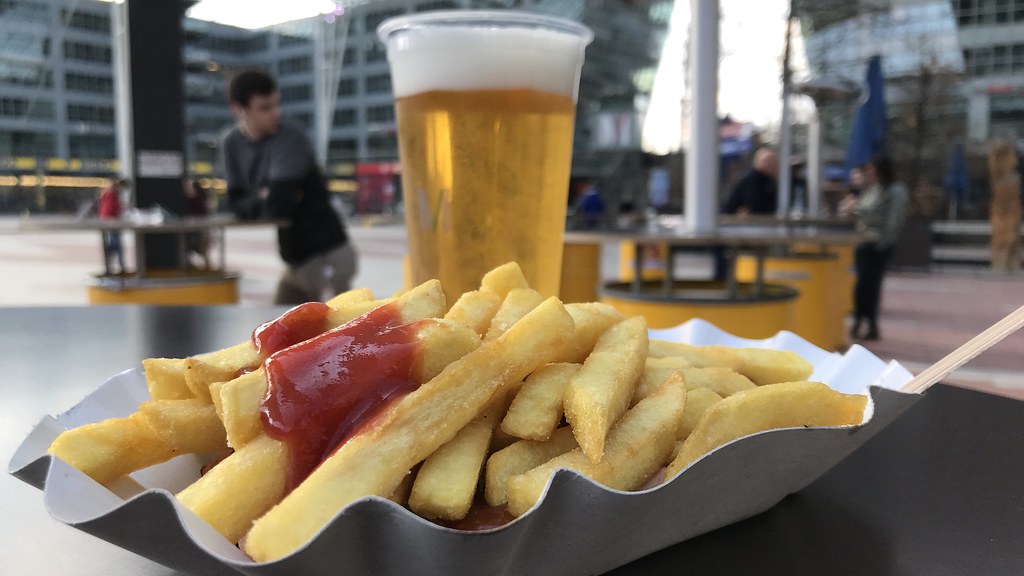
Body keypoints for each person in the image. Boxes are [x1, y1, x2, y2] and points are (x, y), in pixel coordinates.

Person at [221, 70, 357, 304]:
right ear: (238, 109)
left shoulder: (290, 136)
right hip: (297, 258)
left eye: (277, 105)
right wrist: (265, 198)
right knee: (279, 328)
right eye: (265, 108)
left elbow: (277, 206)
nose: (276, 114)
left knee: (322, 329)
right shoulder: (231, 143)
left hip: (327, 252)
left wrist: (263, 199)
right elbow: (233, 202)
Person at [848, 154, 908, 341]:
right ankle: (860, 320)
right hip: (863, 242)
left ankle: (870, 325)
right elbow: (863, 209)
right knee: (861, 286)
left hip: (878, 245)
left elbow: (894, 220)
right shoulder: (872, 189)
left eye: (874, 172)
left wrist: (883, 242)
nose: (871, 175)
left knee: (871, 286)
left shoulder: (895, 190)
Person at [987, 140, 1022, 273]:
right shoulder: (998, 177)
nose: (1014, 161)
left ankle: (1011, 263)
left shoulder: (1014, 178)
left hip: (1012, 210)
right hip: (1001, 211)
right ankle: (1001, 263)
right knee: (1003, 239)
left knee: (1012, 238)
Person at [722, 146, 779, 216]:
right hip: (734, 222)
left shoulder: (768, 180)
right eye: (772, 162)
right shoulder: (752, 180)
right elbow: (757, 207)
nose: (775, 166)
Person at [98, 177, 128, 275]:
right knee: (115, 244)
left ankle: (115, 266)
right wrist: (121, 208)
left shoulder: (110, 192)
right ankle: (116, 266)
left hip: (108, 220)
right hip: (111, 221)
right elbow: (111, 208)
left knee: (114, 244)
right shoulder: (112, 193)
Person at [184, 178, 211, 269]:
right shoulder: (202, 196)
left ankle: (206, 265)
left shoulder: (195, 198)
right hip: (201, 226)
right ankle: (206, 265)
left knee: (200, 246)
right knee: (200, 247)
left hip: (199, 226)